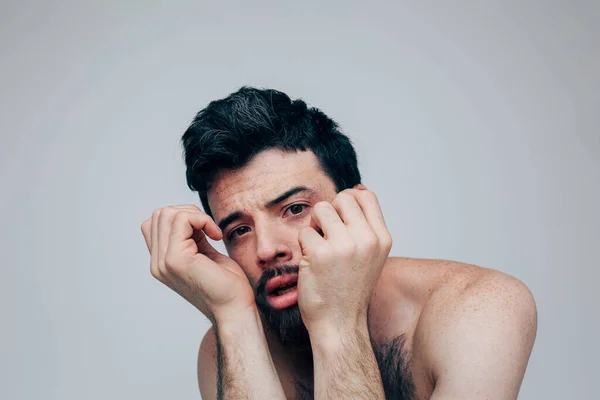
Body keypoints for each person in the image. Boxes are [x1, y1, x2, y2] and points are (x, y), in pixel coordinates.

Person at [140, 87, 537, 400]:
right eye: (238, 230)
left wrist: (338, 322)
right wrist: (232, 318)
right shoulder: (227, 341)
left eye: (294, 208)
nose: (265, 249)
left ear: (357, 209)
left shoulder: (480, 307)